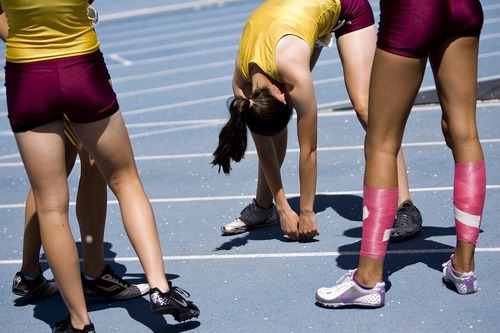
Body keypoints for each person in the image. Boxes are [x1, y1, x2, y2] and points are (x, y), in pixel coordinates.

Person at [0, 1, 199, 332]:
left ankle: (80, 322)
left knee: (51, 205)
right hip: (81, 66)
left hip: (28, 74)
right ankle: (161, 289)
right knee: (125, 181)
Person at [315, 0, 486, 308]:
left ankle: (367, 279)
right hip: (464, 6)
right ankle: (464, 268)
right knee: (465, 132)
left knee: (381, 142)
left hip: (414, 10)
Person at [212, 0, 422, 241]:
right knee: (269, 128)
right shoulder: (243, 90)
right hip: (290, 22)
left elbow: (309, 149)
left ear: (284, 98)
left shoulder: (292, 70)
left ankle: (405, 205)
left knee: (366, 107)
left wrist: (306, 211)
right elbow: (266, 151)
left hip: (346, 7)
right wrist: (282, 208)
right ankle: (264, 207)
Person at [10, 116, 150, 300]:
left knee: (50, 175)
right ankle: (95, 273)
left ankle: (29, 274)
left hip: (35, 92)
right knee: (95, 160)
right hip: (73, 90)